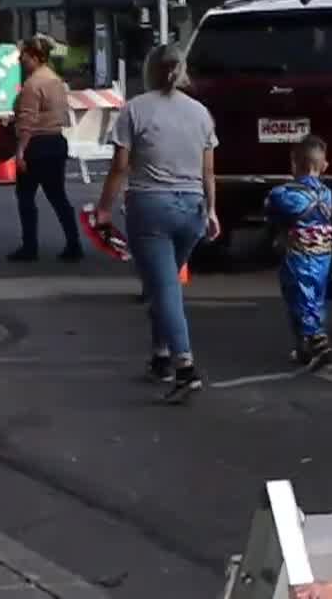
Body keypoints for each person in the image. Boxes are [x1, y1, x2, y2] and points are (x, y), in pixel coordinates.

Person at [93, 45, 219, 400]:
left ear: (149, 70)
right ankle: (161, 355)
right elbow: (208, 171)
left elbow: (120, 167)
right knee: (165, 283)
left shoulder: (135, 110)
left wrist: (104, 207)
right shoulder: (201, 114)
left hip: (150, 207)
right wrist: (212, 211)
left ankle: (185, 366)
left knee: (163, 288)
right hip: (192, 208)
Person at [6, 34, 80, 263]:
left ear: (36, 57)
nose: (21, 60)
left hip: (35, 146)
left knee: (26, 197)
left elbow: (28, 121)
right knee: (58, 197)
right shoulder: (55, 80)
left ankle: (29, 247)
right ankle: (74, 243)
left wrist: (20, 153)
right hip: (55, 142)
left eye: (24, 56)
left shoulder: (32, 85)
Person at [267, 136, 332, 370]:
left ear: (295, 164)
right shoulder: (327, 194)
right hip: (324, 255)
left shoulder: (285, 193)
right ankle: (306, 345)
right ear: (323, 165)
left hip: (298, 254)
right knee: (315, 297)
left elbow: (272, 208)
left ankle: (317, 341)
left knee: (298, 298)